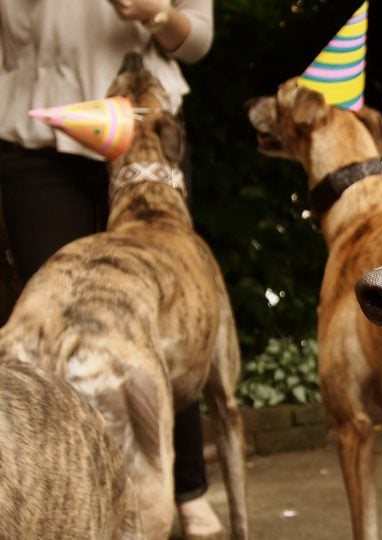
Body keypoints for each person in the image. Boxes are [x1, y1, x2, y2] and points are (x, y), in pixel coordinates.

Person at [0, 0, 222, 537]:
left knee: (168, 311)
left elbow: (198, 39)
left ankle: (186, 489)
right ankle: (57, 499)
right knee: (53, 328)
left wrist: (157, 13)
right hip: (38, 135)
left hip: (147, 132)